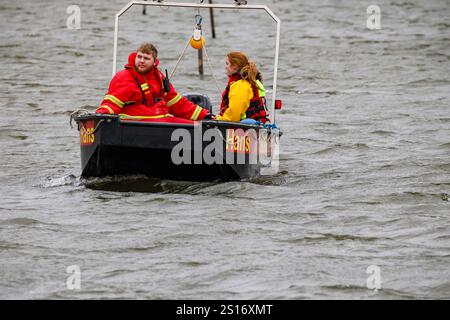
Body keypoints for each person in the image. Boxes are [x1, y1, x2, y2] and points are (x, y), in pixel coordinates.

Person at [96, 43, 208, 122]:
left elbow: (176, 103)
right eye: (139, 57)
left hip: (161, 121)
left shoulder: (159, 77)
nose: (141, 61)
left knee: (198, 126)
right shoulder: (124, 77)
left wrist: (205, 116)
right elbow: (111, 103)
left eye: (146, 58)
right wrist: (99, 116)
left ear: (155, 62)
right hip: (134, 125)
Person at [215, 51, 269, 123]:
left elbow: (234, 114)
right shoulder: (251, 81)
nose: (226, 67)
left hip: (243, 128)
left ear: (234, 67)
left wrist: (218, 119)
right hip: (254, 124)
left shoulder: (241, 85)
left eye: (227, 64)